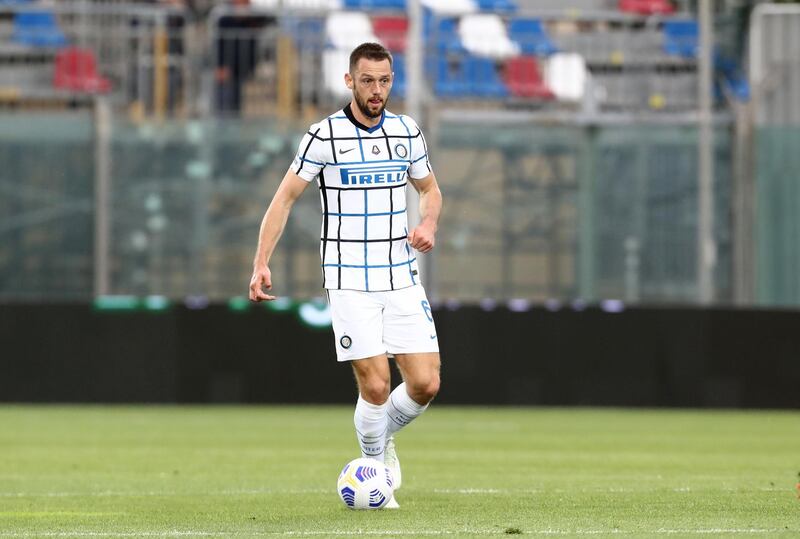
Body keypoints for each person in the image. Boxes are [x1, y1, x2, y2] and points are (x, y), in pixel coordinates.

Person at [248, 42, 442, 509]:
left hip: (401, 275)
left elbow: (430, 189)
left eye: (385, 80)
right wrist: (260, 262)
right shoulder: (324, 136)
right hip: (348, 277)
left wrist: (428, 222)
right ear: (349, 81)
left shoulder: (406, 131)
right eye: (368, 80)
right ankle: (374, 461)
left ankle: (379, 438)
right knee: (375, 385)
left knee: (425, 384)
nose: (377, 90)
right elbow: (284, 199)